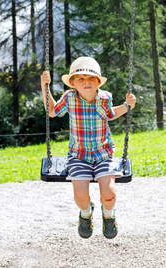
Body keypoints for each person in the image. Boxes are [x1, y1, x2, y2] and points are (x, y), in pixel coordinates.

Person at [40, 56, 136, 239]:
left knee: (109, 194)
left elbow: (111, 114)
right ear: (73, 83)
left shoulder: (105, 97)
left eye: (91, 78)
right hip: (78, 155)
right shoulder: (69, 98)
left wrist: (127, 106)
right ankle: (86, 213)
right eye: (81, 79)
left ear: (98, 82)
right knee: (80, 196)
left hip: (103, 154)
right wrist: (44, 86)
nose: (87, 82)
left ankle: (109, 215)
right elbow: (52, 111)